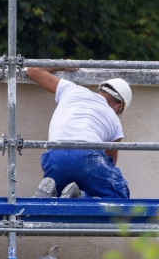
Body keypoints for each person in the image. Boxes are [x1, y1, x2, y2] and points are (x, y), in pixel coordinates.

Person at [26, 66, 132, 199]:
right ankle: (80, 196)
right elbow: (109, 164)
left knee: (59, 197)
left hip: (54, 156)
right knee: (119, 196)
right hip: (86, 155)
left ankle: (51, 195)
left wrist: (63, 65)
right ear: (118, 106)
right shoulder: (115, 123)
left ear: (101, 90)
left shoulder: (71, 89)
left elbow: (33, 70)